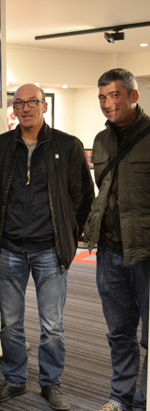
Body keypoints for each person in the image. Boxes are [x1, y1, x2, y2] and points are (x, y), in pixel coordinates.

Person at [0, 83, 94, 410]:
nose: (26, 108)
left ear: (44, 107)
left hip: (50, 250)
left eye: (33, 102)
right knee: (11, 324)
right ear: (14, 109)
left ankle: (52, 383)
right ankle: (15, 379)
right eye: (20, 103)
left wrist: (70, 235)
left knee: (52, 326)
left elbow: (83, 198)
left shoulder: (68, 145)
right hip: (8, 250)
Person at [84, 68, 150, 411]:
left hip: (146, 254)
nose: (108, 104)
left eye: (115, 96)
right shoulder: (101, 140)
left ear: (133, 96)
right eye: (102, 97)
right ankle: (121, 397)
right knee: (119, 332)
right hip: (109, 252)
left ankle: (144, 400)